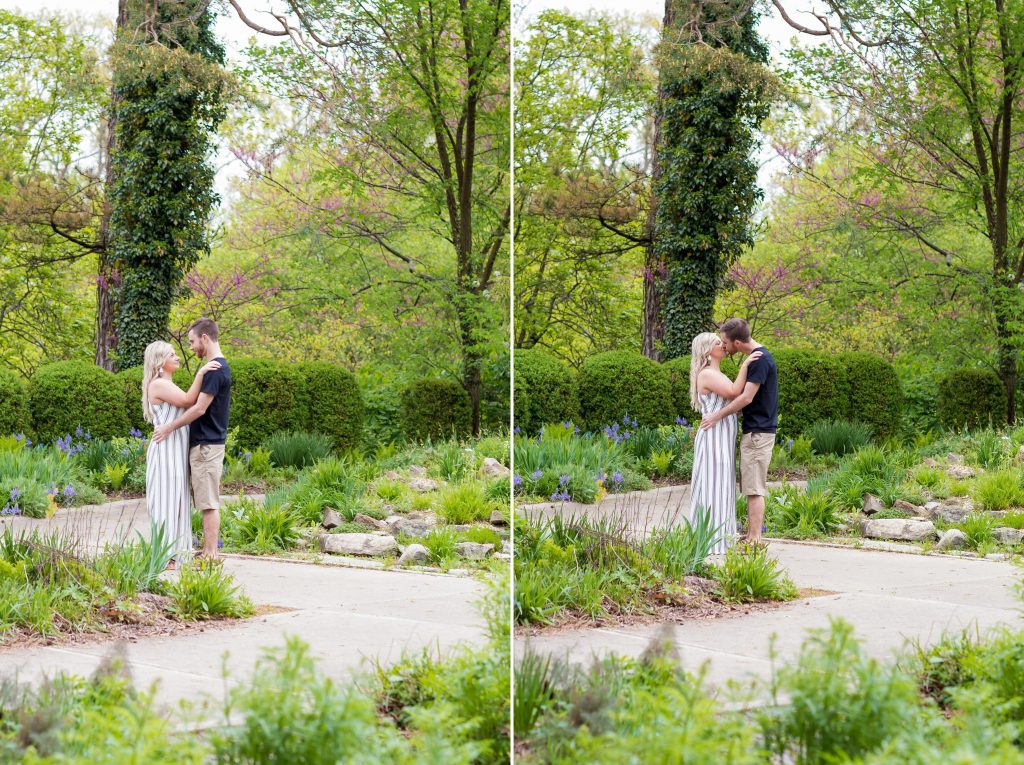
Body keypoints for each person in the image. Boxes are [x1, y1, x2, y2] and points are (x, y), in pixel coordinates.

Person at [153, 318, 231, 561]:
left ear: (205, 338)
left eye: (192, 342)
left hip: (207, 445)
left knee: (208, 502)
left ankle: (210, 554)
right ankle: (208, 552)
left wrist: (169, 427)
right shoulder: (213, 368)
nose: (191, 347)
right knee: (205, 499)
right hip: (206, 444)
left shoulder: (214, 370)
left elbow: (198, 408)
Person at [142, 341, 221, 568]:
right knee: (166, 502)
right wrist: (202, 372)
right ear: (159, 362)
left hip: (175, 450)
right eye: (172, 354)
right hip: (166, 451)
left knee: (177, 500)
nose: (177, 357)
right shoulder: (158, 385)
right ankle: (164, 555)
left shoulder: (167, 384)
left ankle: (176, 553)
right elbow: (189, 400)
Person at [700, 318, 778, 545]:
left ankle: (755, 538)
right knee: (751, 485)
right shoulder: (756, 358)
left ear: (737, 342)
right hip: (756, 430)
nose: (723, 346)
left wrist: (717, 416)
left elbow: (746, 397)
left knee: (754, 488)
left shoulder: (759, 360)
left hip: (758, 432)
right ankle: (752, 535)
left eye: (725, 342)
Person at [687, 332, 761, 554]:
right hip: (714, 437)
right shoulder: (708, 374)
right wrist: (746, 364)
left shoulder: (716, 372)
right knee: (713, 486)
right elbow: (733, 392)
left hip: (723, 436)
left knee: (723, 486)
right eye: (717, 343)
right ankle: (712, 542)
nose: (723, 345)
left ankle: (723, 539)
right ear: (708, 351)